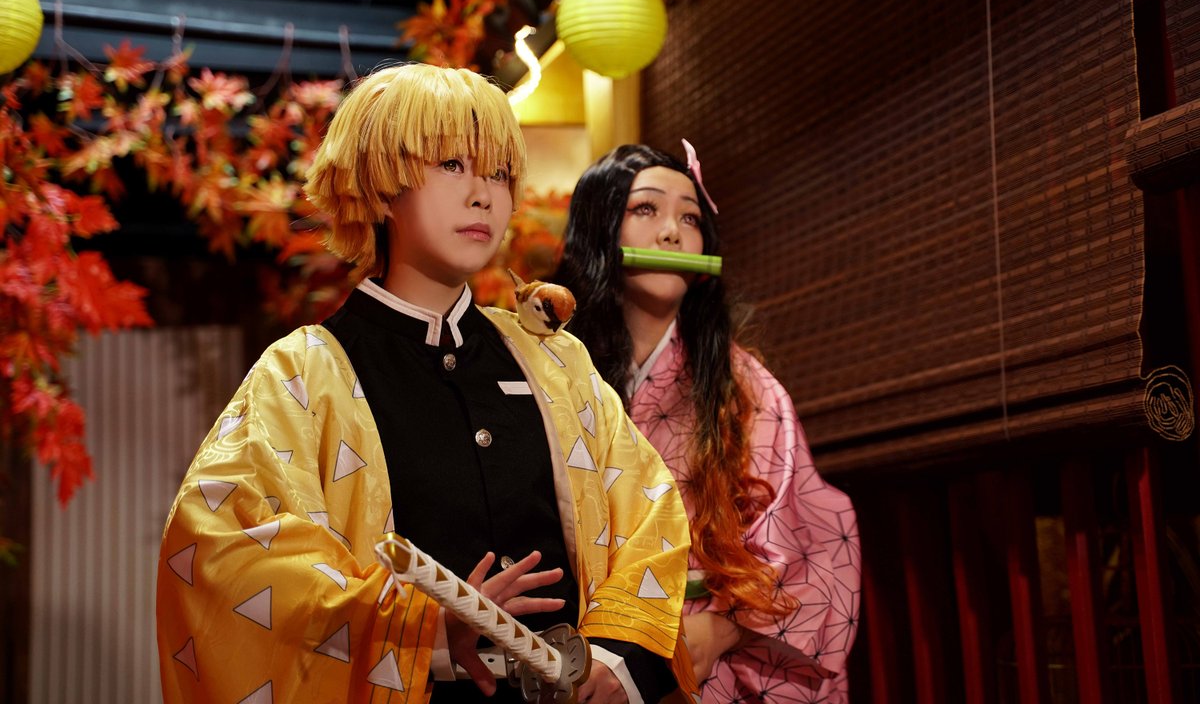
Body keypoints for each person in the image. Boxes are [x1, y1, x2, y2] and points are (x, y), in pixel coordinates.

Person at [156, 65, 697, 704]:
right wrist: (418, 626)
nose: (483, 195)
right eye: (451, 165)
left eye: (499, 173)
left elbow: (649, 514)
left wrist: (614, 660)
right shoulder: (303, 373)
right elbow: (225, 550)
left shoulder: (556, 361)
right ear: (381, 185)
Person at [554, 143, 862, 703]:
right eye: (646, 209)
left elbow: (813, 541)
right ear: (599, 227)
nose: (672, 232)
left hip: (704, 651)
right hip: (580, 648)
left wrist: (723, 629)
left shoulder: (745, 388)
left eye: (691, 218)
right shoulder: (550, 372)